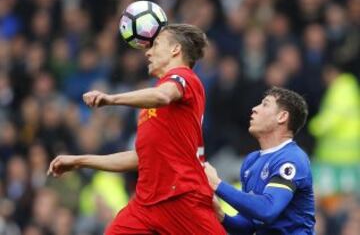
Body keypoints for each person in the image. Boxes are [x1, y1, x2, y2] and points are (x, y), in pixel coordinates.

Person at [47, 24, 226, 235]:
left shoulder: (185, 78)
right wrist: (79, 161)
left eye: (156, 45)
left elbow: (163, 96)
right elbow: (141, 158)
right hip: (146, 203)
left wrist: (111, 99)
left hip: (182, 197)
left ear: (175, 49)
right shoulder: (150, 106)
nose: (148, 52)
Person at [205, 87, 315, 234]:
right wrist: (221, 215)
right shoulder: (251, 161)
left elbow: (267, 210)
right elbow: (248, 226)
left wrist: (217, 184)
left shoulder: (292, 158)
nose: (254, 109)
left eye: (265, 104)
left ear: (282, 117)